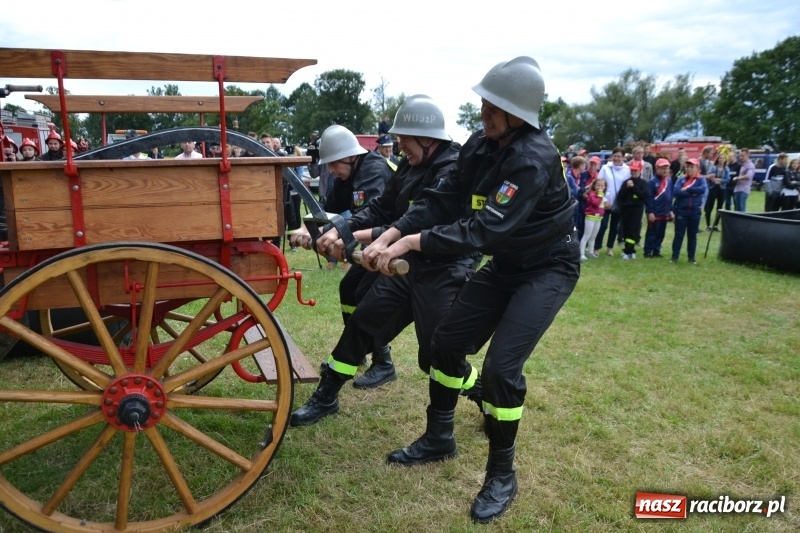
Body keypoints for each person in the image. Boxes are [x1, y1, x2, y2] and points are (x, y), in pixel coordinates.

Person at [363, 56, 580, 523]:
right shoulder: (481, 144)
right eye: (484, 101)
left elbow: (485, 229)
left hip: (547, 268)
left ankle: (502, 473)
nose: (483, 110)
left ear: (519, 113)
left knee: (501, 371)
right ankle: (439, 437)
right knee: (445, 345)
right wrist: (391, 231)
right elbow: (444, 199)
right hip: (506, 265)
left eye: (494, 105)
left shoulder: (533, 158)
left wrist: (410, 241)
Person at [289, 95, 482, 425]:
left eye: (404, 140)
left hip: (448, 266)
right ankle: (326, 396)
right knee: (362, 323)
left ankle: (482, 391)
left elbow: (421, 220)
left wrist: (351, 236)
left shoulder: (453, 168)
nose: (398, 147)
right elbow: (381, 208)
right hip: (407, 263)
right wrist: (340, 228)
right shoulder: (411, 165)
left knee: (435, 356)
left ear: (427, 138)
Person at [289, 124, 393, 372]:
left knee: (366, 297)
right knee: (348, 288)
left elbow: (372, 215)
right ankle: (358, 353)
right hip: (374, 243)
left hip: (392, 243)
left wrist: (341, 236)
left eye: (334, 163)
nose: (331, 170)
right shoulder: (349, 173)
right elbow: (328, 206)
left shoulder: (375, 169)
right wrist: (308, 229)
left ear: (350, 156)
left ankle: (383, 362)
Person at [593, 147, 629, 257]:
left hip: (619, 204)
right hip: (605, 203)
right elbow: (598, 185)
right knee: (602, 226)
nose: (617, 158)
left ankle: (610, 248)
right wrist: (603, 200)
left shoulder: (627, 170)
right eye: (615, 156)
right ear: (612, 157)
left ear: (623, 157)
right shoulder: (605, 168)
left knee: (615, 227)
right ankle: (596, 247)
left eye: (619, 156)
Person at [670, 158, 707, 264]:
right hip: (682, 211)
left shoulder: (701, 179)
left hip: (695, 211)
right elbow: (677, 192)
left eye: (692, 167)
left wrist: (687, 189)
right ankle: (674, 257)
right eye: (687, 167)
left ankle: (691, 258)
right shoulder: (681, 179)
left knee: (692, 235)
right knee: (679, 235)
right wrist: (693, 193)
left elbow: (702, 190)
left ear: (697, 168)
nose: (689, 169)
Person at [616, 159, 648, 260]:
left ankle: (631, 250)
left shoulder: (643, 183)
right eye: (632, 170)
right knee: (625, 229)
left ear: (640, 171)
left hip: (637, 209)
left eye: (636, 170)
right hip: (626, 209)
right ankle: (626, 250)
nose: (634, 172)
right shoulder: (626, 182)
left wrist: (633, 188)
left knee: (633, 230)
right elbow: (620, 196)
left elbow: (643, 196)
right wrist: (626, 187)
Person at [643, 158, 673, 258]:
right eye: (662, 168)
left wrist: (671, 210)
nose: (665, 170)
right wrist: (650, 212)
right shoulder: (652, 182)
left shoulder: (669, 181)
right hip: (655, 213)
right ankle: (648, 251)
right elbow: (648, 198)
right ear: (657, 168)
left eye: (666, 168)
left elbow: (670, 197)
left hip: (665, 212)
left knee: (661, 234)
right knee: (652, 233)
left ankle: (656, 250)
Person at [578, 177, 607, 262]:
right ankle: (581, 253)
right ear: (594, 186)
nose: (600, 187)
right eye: (598, 185)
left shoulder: (601, 195)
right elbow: (596, 203)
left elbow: (602, 206)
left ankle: (591, 252)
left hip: (598, 218)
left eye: (602, 185)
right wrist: (600, 196)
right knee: (586, 235)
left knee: (593, 236)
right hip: (590, 217)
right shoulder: (592, 194)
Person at [705, 152, 729, 229]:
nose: (721, 160)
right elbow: (709, 176)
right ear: (718, 159)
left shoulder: (726, 169)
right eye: (720, 158)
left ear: (725, 160)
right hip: (713, 188)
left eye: (723, 158)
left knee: (719, 207)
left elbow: (727, 179)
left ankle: (715, 225)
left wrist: (719, 180)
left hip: (722, 189)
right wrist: (715, 180)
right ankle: (708, 225)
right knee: (710, 206)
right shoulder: (713, 167)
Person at [732, 148, 755, 212]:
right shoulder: (743, 165)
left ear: (748, 155)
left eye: (743, 155)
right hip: (737, 189)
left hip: (743, 190)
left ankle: (741, 222)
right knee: (737, 209)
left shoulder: (750, 165)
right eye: (740, 156)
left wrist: (737, 178)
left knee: (741, 210)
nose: (741, 157)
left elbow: (749, 176)